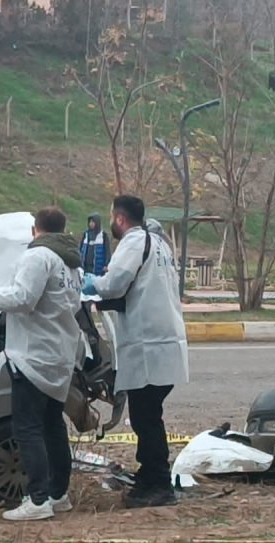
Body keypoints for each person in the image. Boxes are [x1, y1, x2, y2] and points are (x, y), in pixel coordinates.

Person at [0, 208, 82, 521]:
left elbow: (23, 299)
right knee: (53, 427)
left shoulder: (38, 256)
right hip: (59, 355)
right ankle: (58, 493)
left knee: (27, 429)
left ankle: (38, 499)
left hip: (33, 355)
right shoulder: (70, 263)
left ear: (34, 230)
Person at [82, 195, 189, 508]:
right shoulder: (158, 244)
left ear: (119, 218)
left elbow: (114, 284)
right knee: (147, 414)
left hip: (149, 344)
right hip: (163, 341)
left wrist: (90, 284)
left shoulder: (133, 242)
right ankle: (151, 474)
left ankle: (158, 483)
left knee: (146, 417)